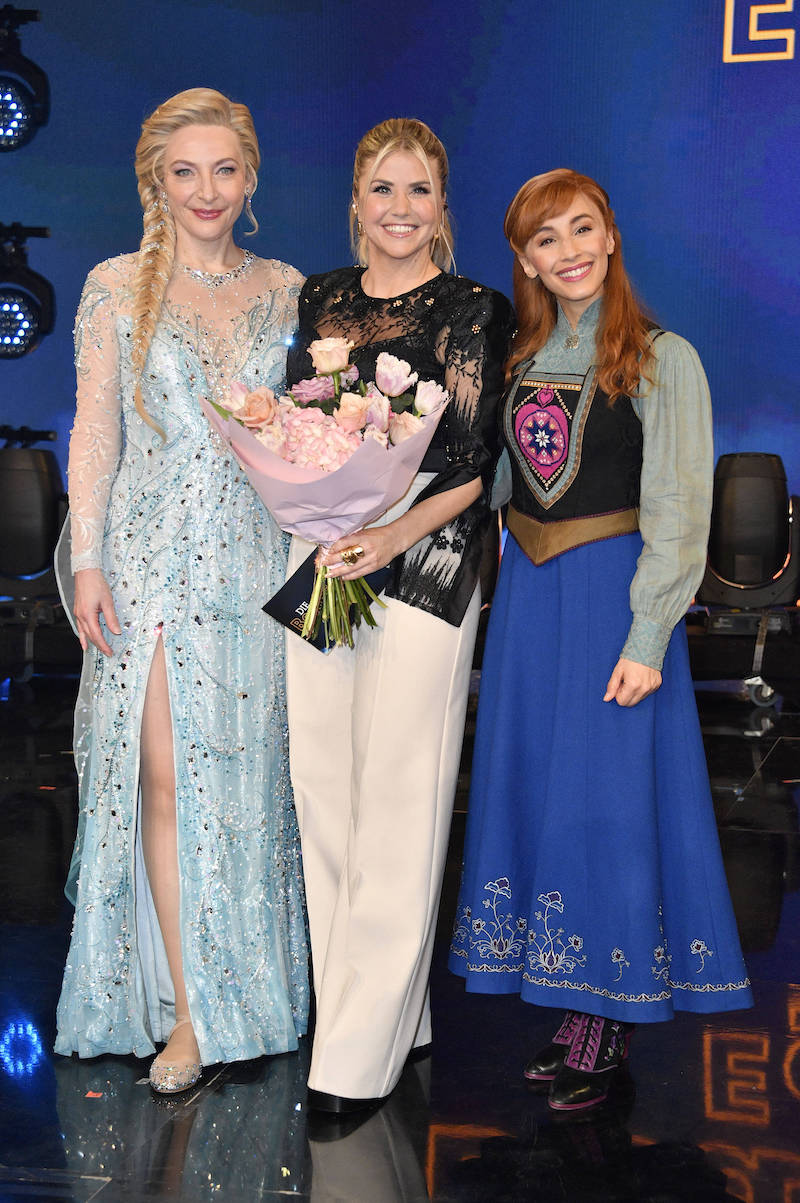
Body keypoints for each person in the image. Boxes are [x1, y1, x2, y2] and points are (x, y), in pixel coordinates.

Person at [449, 168, 752, 1112]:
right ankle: (569, 999)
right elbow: (498, 482)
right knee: (542, 793)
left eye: (583, 229)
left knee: (607, 805)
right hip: (533, 605)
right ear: (527, 259)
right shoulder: (521, 359)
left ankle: (604, 1013)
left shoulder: (665, 358)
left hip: (613, 603)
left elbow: (678, 509)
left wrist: (649, 633)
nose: (568, 250)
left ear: (611, 236)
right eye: (547, 239)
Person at [54, 88, 309, 1093]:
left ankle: (262, 989)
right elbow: (95, 435)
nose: (206, 190)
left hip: (258, 564)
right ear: (156, 182)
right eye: (184, 172)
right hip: (151, 565)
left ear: (248, 179)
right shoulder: (116, 286)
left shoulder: (289, 289)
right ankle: (191, 1015)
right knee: (163, 777)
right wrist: (86, 561)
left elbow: (307, 431)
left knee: (251, 785)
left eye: (223, 170)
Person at [285, 118, 514, 1114]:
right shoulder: (322, 296)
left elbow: (468, 461)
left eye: (418, 191)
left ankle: (351, 1060)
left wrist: (390, 531)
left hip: (425, 559)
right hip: (326, 553)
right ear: (355, 198)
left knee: (398, 801)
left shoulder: (473, 308)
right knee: (322, 789)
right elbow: (297, 420)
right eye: (382, 189)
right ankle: (380, 1013)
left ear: (442, 205)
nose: (398, 210)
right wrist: (324, 508)